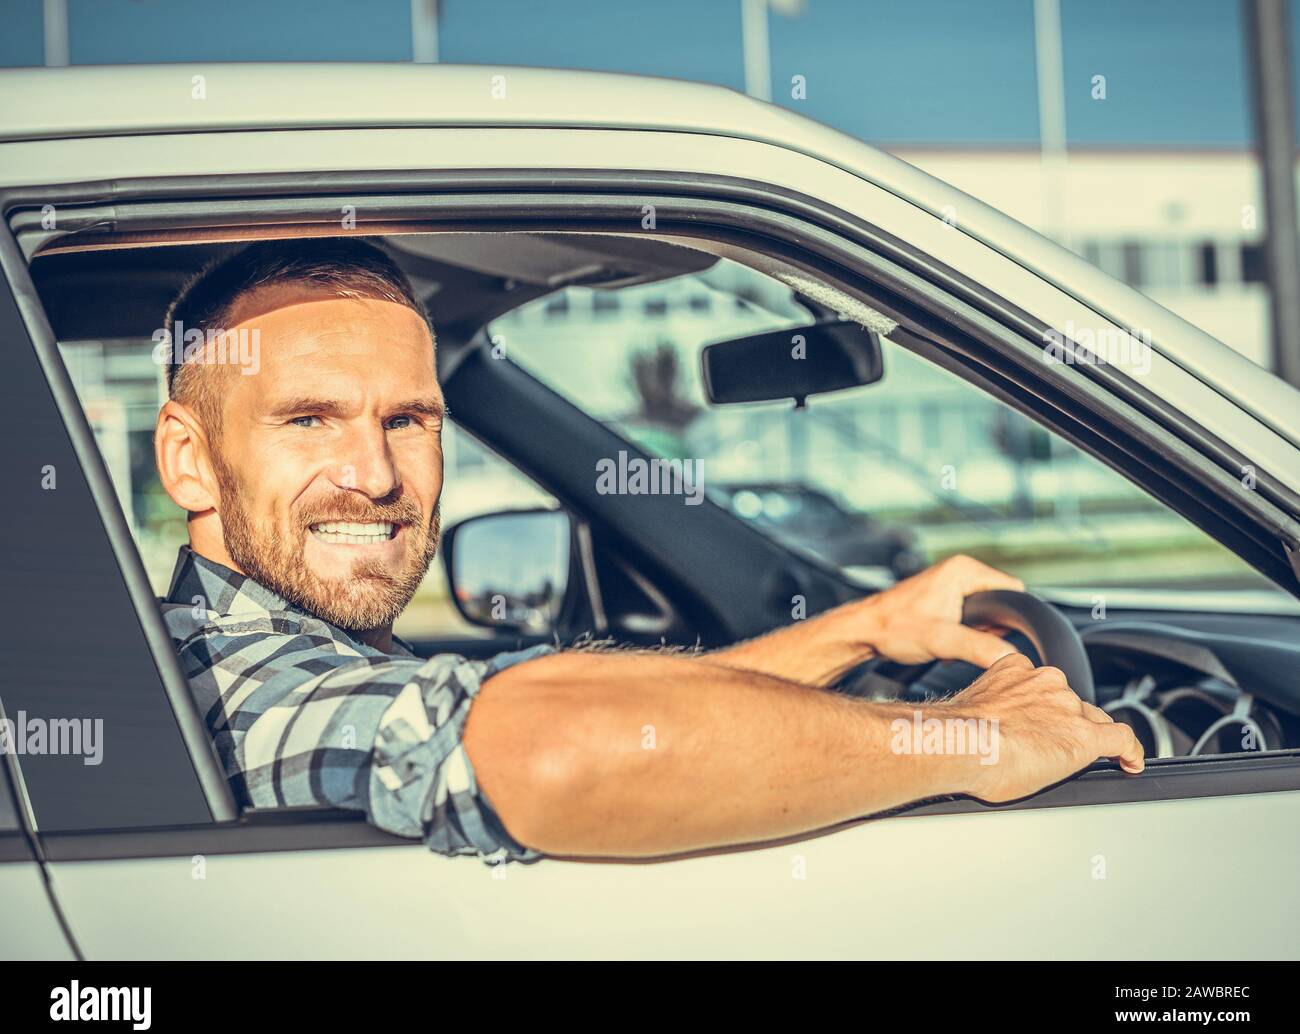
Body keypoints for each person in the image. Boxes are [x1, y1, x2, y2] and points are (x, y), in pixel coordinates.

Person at [154, 238, 1144, 864]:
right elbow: (556, 748)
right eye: (310, 420)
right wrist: (975, 740)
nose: (373, 475)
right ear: (190, 461)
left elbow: (631, 721)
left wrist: (865, 627)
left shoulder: (317, 646)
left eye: (409, 419)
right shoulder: (237, 680)